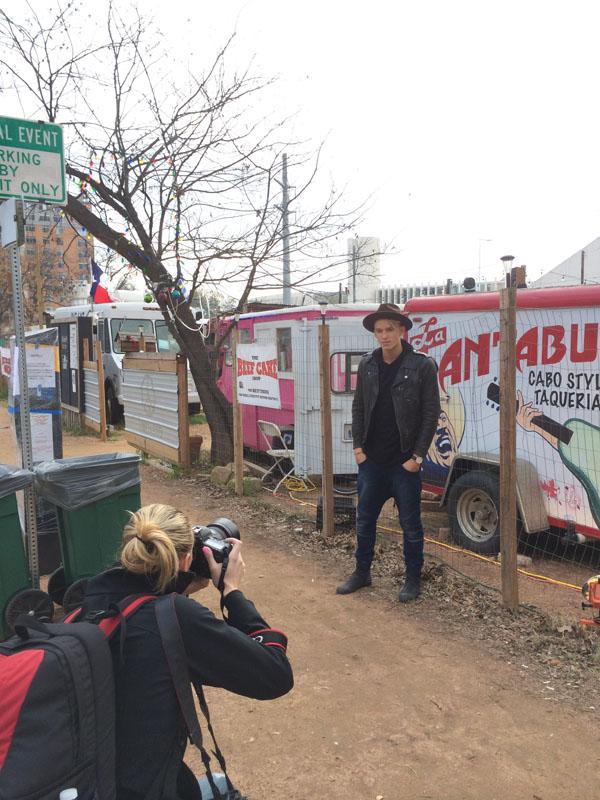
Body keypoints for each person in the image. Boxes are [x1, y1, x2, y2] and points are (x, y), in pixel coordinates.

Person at [80, 503, 293, 800]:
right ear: (187, 559)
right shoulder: (174, 618)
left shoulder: (91, 602)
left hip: (89, 780)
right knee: (219, 784)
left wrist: (177, 585)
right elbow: (276, 674)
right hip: (144, 789)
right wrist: (231, 591)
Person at [336, 303, 440, 602]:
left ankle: (412, 580)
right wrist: (358, 449)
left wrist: (416, 458)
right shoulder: (368, 364)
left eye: (389, 329)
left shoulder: (421, 365)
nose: (384, 336)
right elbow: (358, 407)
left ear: (402, 330)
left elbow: (430, 415)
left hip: (404, 464)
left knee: (411, 525)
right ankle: (362, 572)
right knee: (364, 519)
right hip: (371, 462)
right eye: (379, 330)